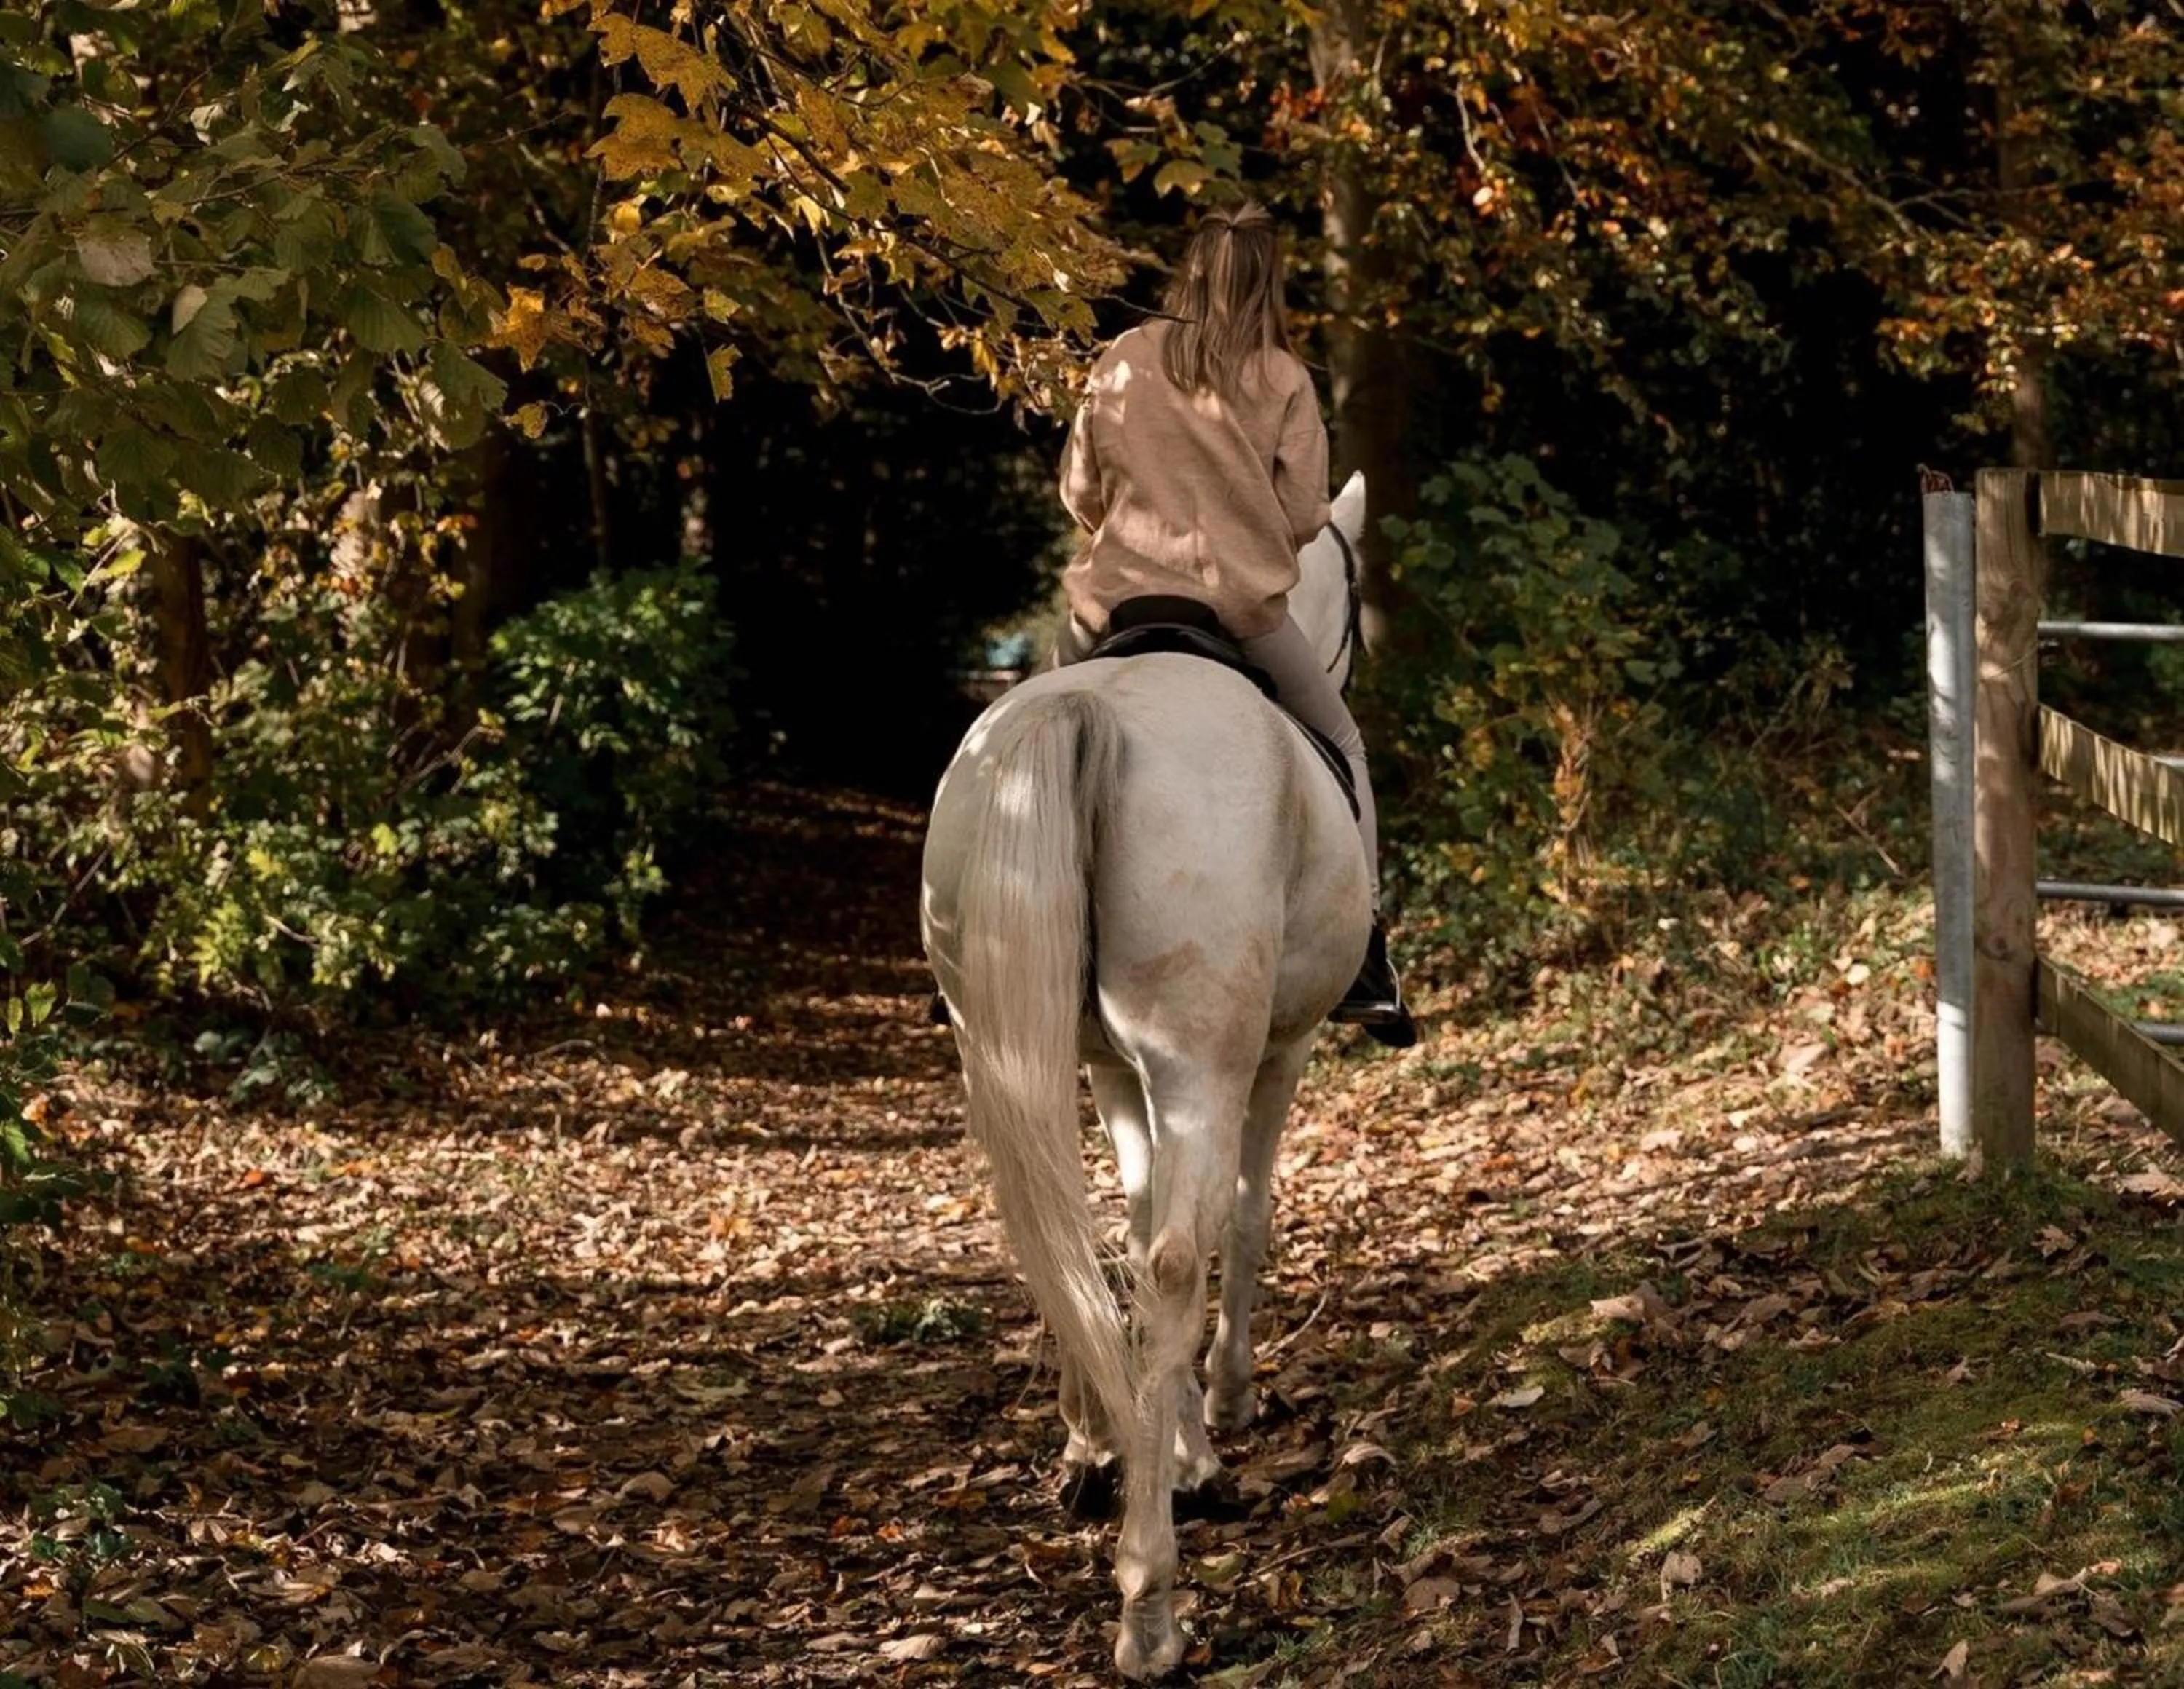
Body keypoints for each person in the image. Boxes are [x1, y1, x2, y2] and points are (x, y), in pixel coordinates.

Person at [1051, 201, 1413, 1048]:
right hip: (1240, 616)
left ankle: (990, 931)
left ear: (1190, 272)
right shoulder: (1284, 378)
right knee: (1347, 746)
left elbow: (1080, 493)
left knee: (1018, 743)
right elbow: (1300, 515)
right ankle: (1365, 957)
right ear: (1268, 282)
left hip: (1115, 606)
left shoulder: (1123, 358)